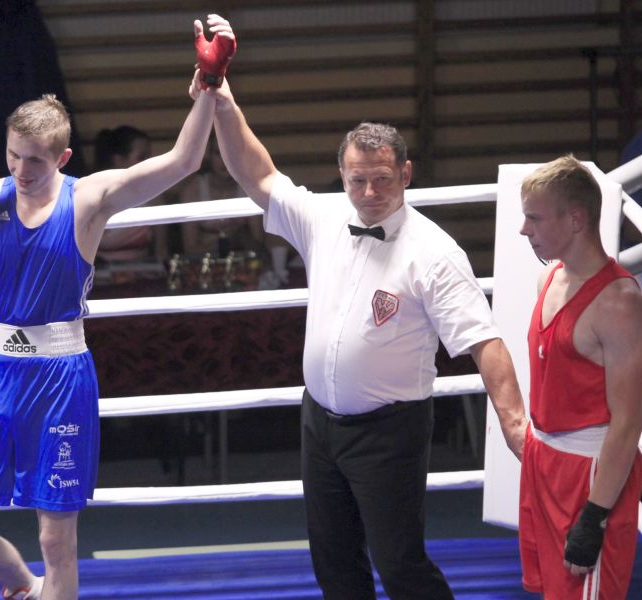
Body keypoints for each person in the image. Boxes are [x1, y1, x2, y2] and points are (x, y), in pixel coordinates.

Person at [0, 20, 229, 597]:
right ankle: (24, 589)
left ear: (61, 157)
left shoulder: (89, 199)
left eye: (34, 161)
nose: (20, 170)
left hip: (61, 376)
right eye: (13, 156)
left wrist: (211, 80)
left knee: (56, 542)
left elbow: (183, 161)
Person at [197, 15, 527, 599]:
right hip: (318, 422)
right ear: (342, 175)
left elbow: (485, 339)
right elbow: (257, 173)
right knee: (334, 563)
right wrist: (220, 91)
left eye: (381, 179)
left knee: (400, 564)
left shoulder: (434, 251)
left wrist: (514, 421)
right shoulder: (324, 217)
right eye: (357, 180)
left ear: (405, 172)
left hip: (390, 430)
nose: (370, 193)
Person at [518, 154, 642, 599]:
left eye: (534, 218)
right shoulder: (548, 278)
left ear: (574, 220)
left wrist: (595, 514)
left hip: (589, 476)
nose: (523, 229)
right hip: (542, 464)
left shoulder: (618, 302)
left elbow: (628, 422)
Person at [92, 125, 169, 263]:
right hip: (98, 279)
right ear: (118, 160)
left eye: (149, 156)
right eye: (142, 157)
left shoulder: (154, 195)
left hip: (143, 277)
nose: (149, 162)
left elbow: (161, 251)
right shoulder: (92, 194)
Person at [179, 134, 263, 257]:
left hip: (244, 267)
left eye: (231, 153)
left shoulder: (251, 190)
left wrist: (241, 234)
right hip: (203, 267)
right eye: (218, 153)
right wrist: (227, 240)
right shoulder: (192, 191)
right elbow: (189, 250)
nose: (225, 160)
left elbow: (259, 247)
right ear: (209, 156)